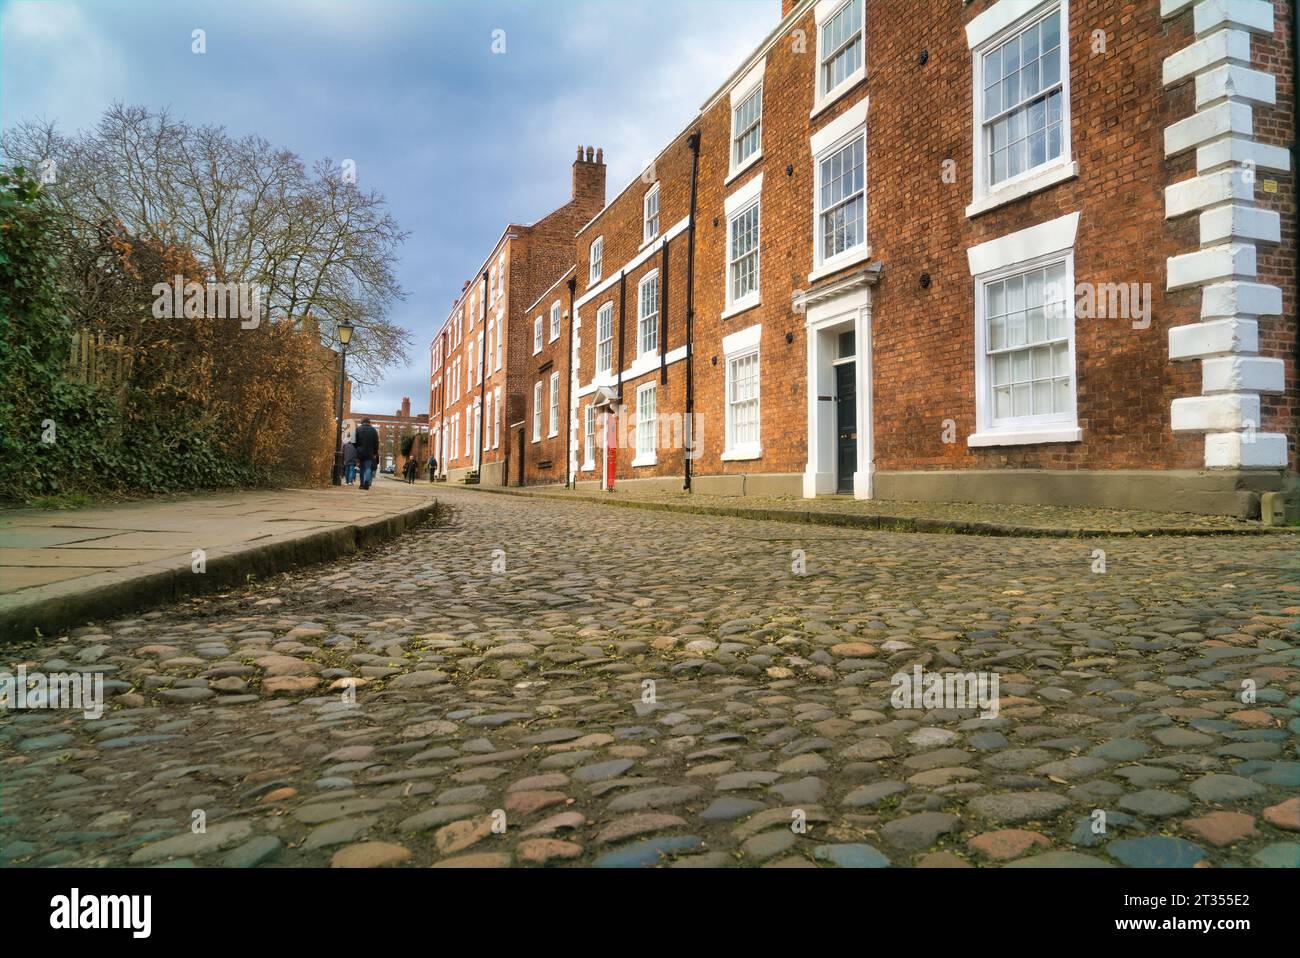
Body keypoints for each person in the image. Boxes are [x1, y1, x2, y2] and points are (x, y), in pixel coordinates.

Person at [354, 418, 380, 490]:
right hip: (369, 452)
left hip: (360, 452)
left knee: (361, 468)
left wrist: (357, 448)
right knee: (368, 468)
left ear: (362, 422)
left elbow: (354, 441)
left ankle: (362, 484)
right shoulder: (373, 430)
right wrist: (375, 452)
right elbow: (376, 443)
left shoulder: (358, 429)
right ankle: (367, 482)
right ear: (369, 422)